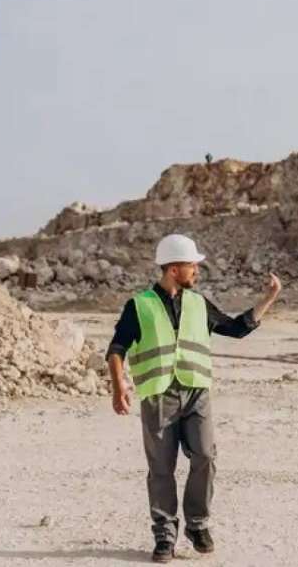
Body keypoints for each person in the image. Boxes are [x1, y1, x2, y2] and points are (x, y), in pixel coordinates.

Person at [106, 234, 282, 563]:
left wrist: (269, 298)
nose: (197, 271)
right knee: (161, 467)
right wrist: (119, 387)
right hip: (159, 395)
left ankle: (197, 525)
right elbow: (116, 350)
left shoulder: (199, 303)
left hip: (196, 392)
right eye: (192, 266)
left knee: (205, 455)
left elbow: (236, 328)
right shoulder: (139, 305)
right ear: (174, 269)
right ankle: (165, 535)